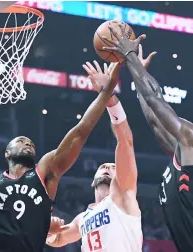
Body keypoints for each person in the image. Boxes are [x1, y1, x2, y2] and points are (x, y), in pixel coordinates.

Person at [0, 64, 119, 252]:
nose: (27, 144)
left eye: (31, 144)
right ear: (6, 153)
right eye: (21, 141)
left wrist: (106, 91)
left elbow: (80, 131)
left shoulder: (45, 172)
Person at [101, 24, 193, 252]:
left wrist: (131, 55)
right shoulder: (190, 156)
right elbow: (155, 121)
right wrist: (138, 79)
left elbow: (156, 99)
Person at [45, 60, 150, 252]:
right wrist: (48, 231)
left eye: (112, 167)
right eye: (104, 166)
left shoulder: (123, 194)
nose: (107, 167)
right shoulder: (82, 218)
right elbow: (58, 239)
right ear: (93, 179)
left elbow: (125, 141)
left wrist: (109, 98)